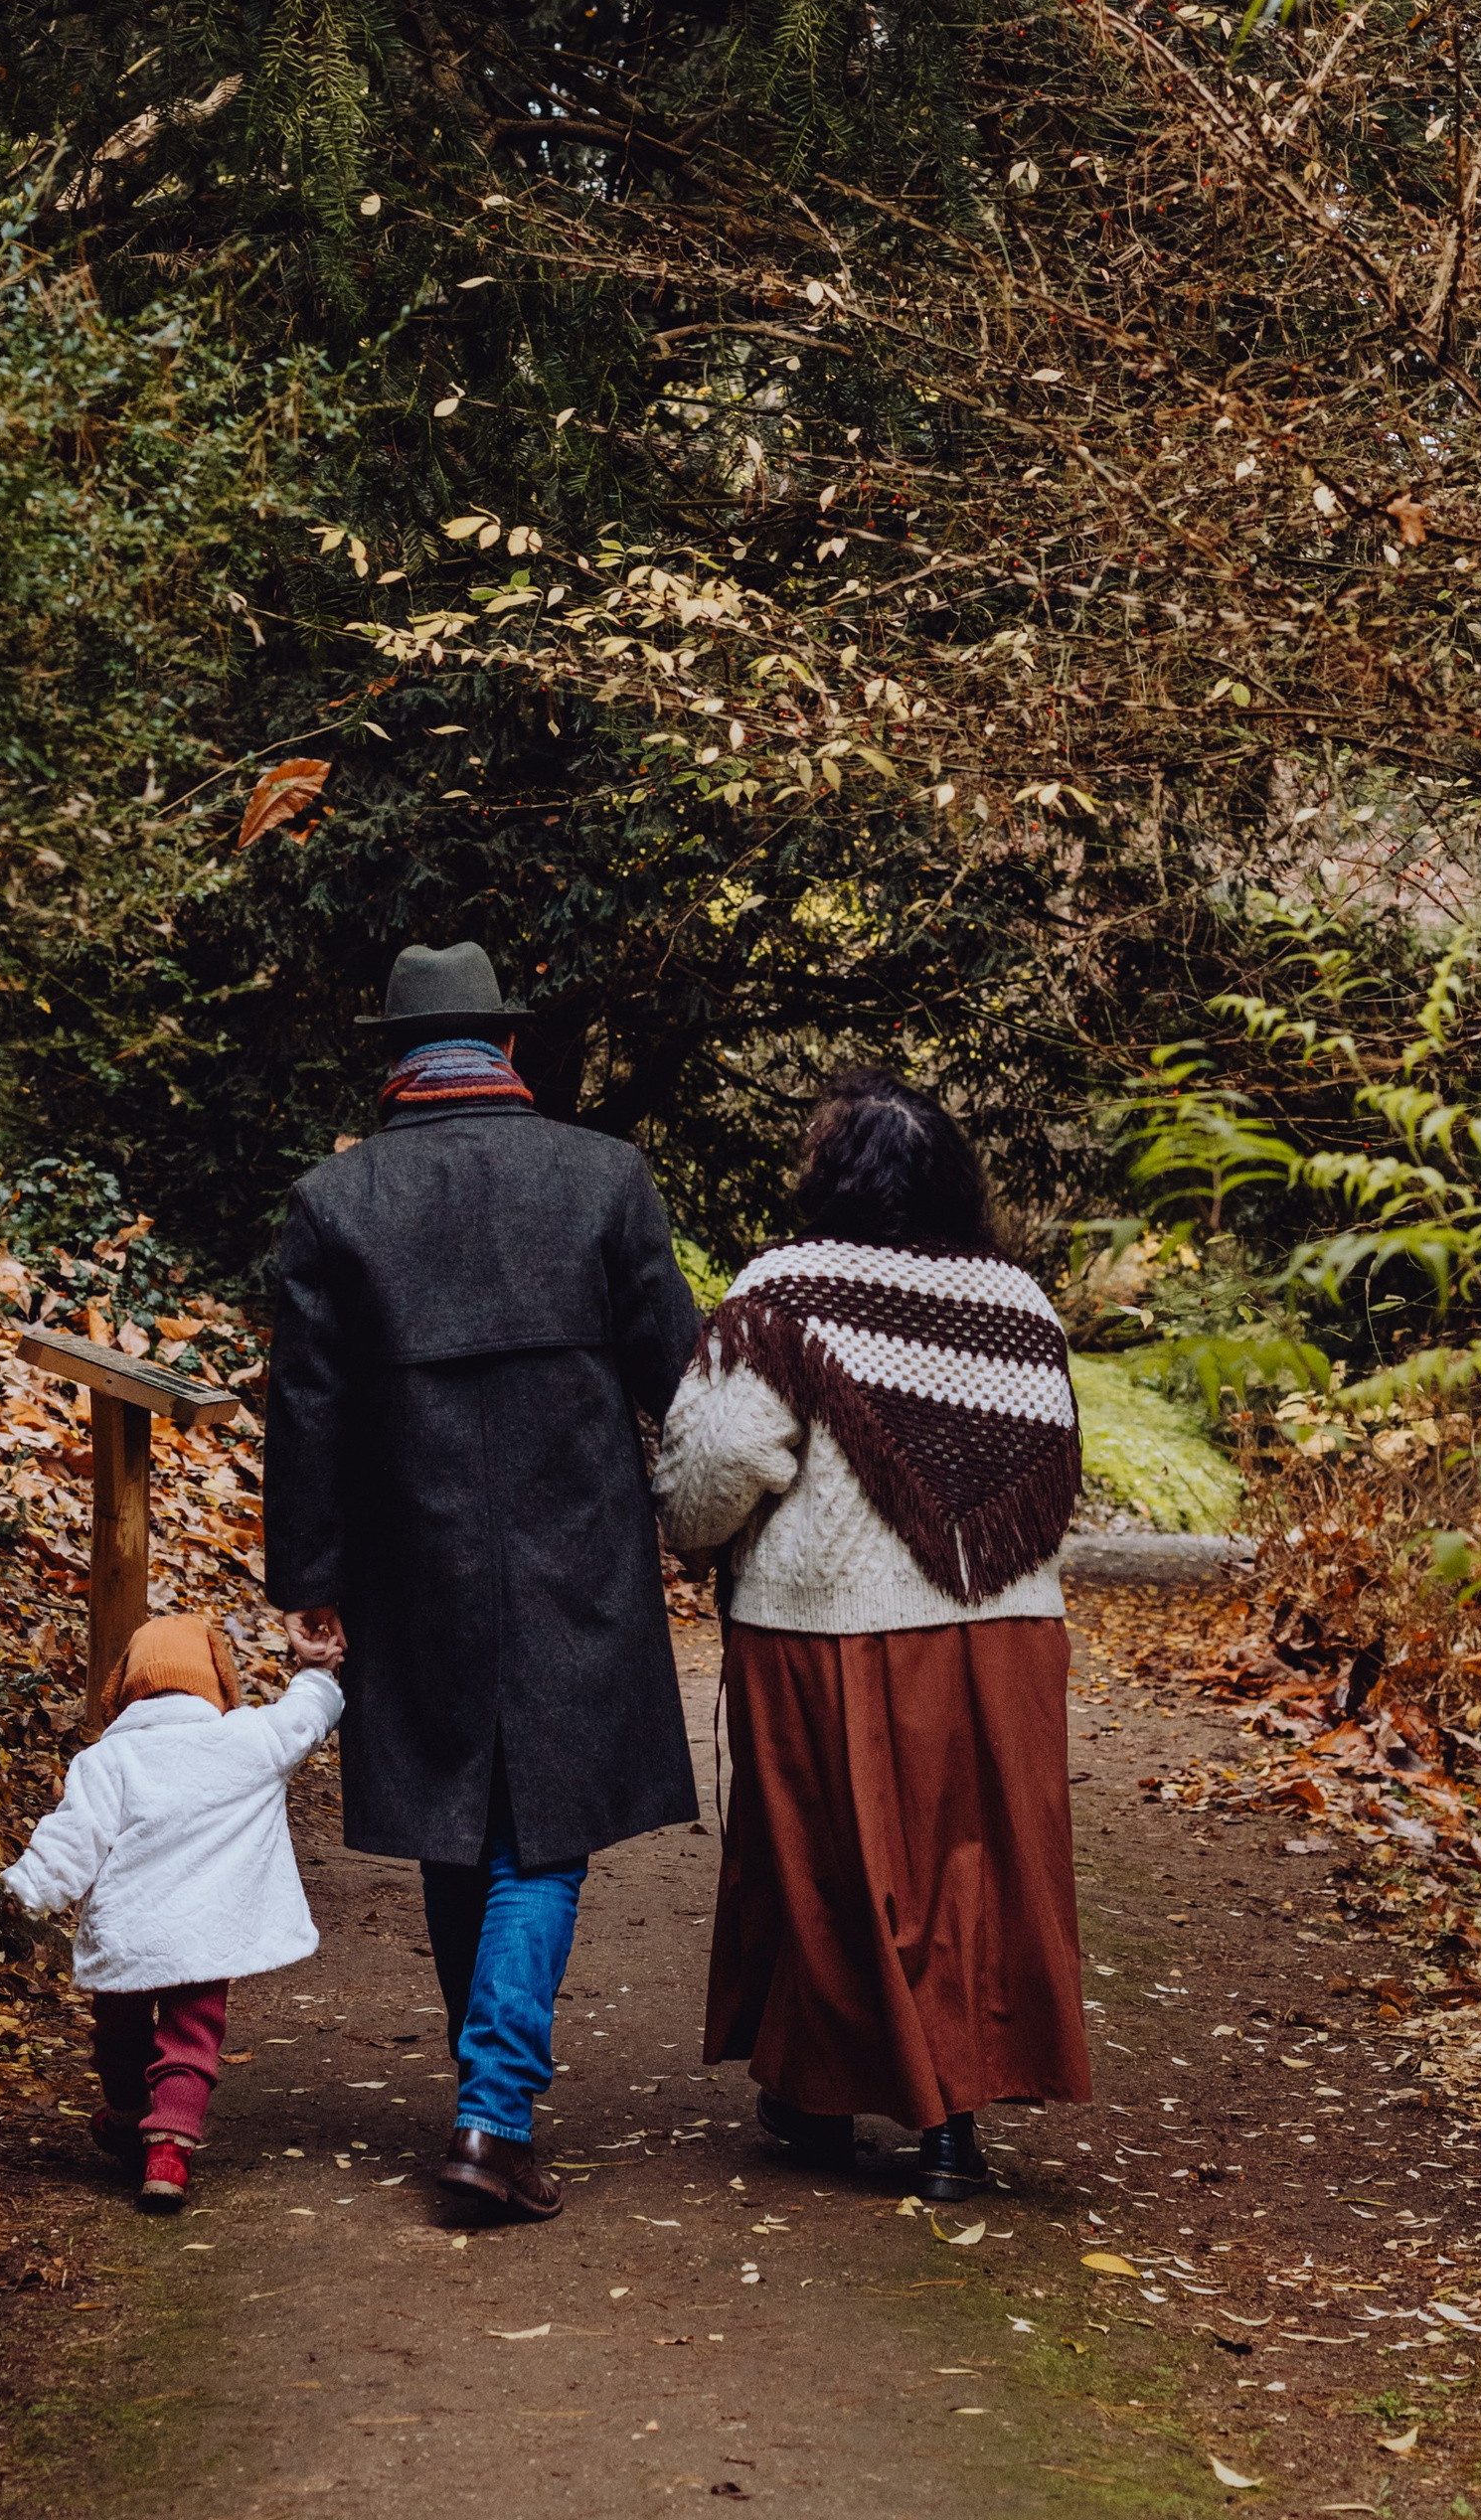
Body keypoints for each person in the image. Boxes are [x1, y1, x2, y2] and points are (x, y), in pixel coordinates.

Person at [262, 936, 700, 2225]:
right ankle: (493, 2115)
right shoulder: (605, 1179)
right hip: (580, 1557)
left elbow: (307, 1414)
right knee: (540, 1832)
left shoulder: (333, 1205)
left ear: (396, 1065)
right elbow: (680, 1380)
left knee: (462, 1825)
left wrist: (311, 1575)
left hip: (414, 1559)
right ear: (507, 1051)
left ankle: (485, 2098)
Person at [652, 1069, 1093, 2204]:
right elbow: (1053, 1473)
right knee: (966, 1868)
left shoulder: (783, 1291)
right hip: (1002, 1633)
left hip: (829, 1628)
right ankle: (931, 2124)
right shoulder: (1021, 1303)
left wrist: (692, 1541)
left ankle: (843, 2095)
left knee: (826, 1863)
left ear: (828, 1175)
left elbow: (715, 1466)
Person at [1, 1609, 345, 2214]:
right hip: (206, 1938)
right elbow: (307, 1716)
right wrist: (316, 1669)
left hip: (129, 1936)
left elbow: (69, 1843)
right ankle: (169, 2152)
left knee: (118, 2038)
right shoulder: (249, 1738)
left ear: (124, 1690)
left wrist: (19, 1894)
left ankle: (129, 2114)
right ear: (218, 1681)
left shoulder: (106, 1762)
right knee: (192, 2039)